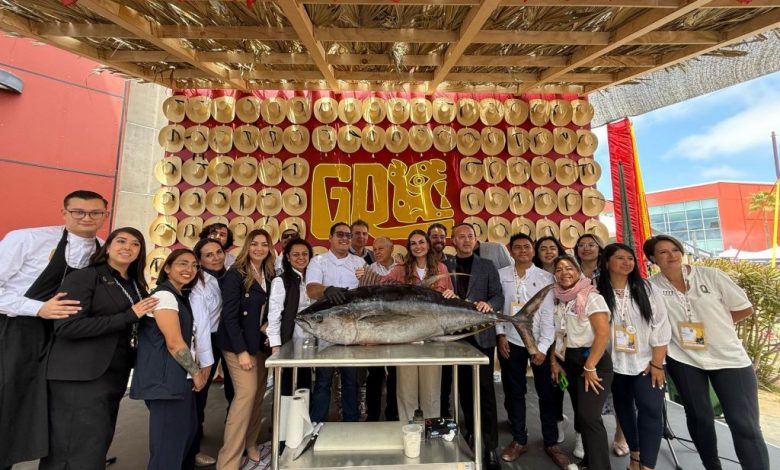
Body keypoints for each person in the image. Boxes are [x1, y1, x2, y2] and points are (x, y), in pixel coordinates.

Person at [0, 190, 107, 469]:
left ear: (105, 216)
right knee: (7, 403)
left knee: (43, 411)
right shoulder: (26, 239)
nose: (87, 217)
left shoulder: (104, 249)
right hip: (15, 333)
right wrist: (38, 308)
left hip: (63, 340)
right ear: (64, 213)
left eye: (95, 212)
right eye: (78, 211)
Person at [643, 235, 769, 470]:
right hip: (684, 358)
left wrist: (717, 327)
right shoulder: (650, 287)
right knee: (700, 418)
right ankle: (712, 467)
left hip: (729, 357)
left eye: (675, 250)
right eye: (663, 252)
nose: (672, 255)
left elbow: (744, 308)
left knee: (744, 423)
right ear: (652, 258)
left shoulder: (711, 276)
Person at [40, 227, 157, 470]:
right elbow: (67, 327)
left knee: (96, 442)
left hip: (113, 373)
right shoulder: (85, 277)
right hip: (80, 375)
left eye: (135, 244)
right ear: (108, 247)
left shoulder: (135, 284)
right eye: (121, 241)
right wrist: (127, 316)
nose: (127, 247)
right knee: (69, 448)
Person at [130, 249, 209, 470]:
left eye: (194, 265)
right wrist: (196, 373)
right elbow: (174, 342)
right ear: (167, 268)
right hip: (165, 381)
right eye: (182, 263)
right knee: (168, 446)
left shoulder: (177, 295)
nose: (189, 269)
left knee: (184, 436)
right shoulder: (165, 296)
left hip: (175, 380)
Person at [496, 234, 569, 468]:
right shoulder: (501, 275)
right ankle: (519, 439)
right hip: (511, 341)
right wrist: (500, 334)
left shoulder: (546, 277)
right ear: (511, 251)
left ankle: (551, 442)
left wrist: (543, 348)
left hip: (539, 343)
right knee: (514, 392)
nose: (522, 251)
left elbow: (548, 316)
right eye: (517, 247)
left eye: (527, 247)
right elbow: (498, 307)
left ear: (532, 250)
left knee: (546, 393)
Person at [597, 243, 671, 470]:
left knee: (651, 409)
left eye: (630, 258)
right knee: (624, 408)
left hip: (647, 362)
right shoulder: (596, 291)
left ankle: (647, 466)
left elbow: (661, 325)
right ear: (607, 262)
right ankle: (635, 458)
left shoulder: (647, 288)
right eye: (620, 258)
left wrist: (657, 363)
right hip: (615, 362)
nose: (627, 262)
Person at [444, 223, 504, 470]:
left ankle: (490, 446)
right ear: (453, 240)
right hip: (455, 336)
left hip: (481, 335)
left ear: (476, 239)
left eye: (470, 236)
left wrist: (490, 305)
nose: (466, 240)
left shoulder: (487, 265)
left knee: (485, 391)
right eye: (461, 236)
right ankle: (471, 432)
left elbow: (498, 295)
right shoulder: (445, 266)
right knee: (463, 389)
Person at [217, 229, 275, 470]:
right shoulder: (235, 274)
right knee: (244, 397)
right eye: (254, 244)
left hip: (259, 344)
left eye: (264, 244)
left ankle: (251, 443)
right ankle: (227, 462)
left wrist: (268, 325)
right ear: (247, 246)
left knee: (257, 396)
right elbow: (229, 317)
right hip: (238, 345)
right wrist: (240, 351)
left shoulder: (269, 273)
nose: (259, 248)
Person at [384, 230, 455, 422]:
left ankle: (430, 429)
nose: (418, 246)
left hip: (433, 338)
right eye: (413, 243)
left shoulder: (441, 268)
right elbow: (382, 288)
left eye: (421, 242)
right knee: (406, 391)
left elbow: (450, 298)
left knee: (431, 391)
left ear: (428, 244)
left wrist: (451, 295)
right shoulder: (400, 269)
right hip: (406, 338)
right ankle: (409, 430)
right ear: (409, 247)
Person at [550, 255, 613, 470]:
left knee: (590, 416)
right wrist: (555, 361)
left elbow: (603, 333)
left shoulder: (591, 297)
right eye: (559, 269)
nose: (564, 273)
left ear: (578, 272)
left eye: (569, 268)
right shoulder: (558, 298)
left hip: (592, 363)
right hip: (569, 362)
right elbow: (557, 334)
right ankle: (588, 462)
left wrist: (590, 366)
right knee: (581, 414)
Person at [306, 222, 366, 423]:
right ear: (330, 237)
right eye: (340, 234)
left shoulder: (359, 262)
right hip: (327, 331)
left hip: (353, 331)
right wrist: (326, 290)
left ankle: (351, 424)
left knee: (351, 381)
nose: (344, 238)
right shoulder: (318, 261)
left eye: (348, 235)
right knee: (323, 381)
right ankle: (317, 425)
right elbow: (311, 289)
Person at [575, 233, 628, 457]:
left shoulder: (609, 271)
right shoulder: (572, 272)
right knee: (586, 389)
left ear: (600, 248)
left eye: (591, 244)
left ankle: (621, 434)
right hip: (583, 337)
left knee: (620, 387)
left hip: (613, 333)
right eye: (581, 245)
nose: (586, 248)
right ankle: (583, 434)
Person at [190, 238, 227, 467]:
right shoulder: (199, 283)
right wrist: (204, 361)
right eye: (209, 255)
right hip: (205, 341)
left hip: (221, 338)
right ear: (200, 260)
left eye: (218, 252)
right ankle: (192, 450)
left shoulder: (221, 277)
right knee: (198, 394)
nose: (216, 258)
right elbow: (201, 325)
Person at [532, 235, 570, 442]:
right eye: (543, 248)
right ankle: (555, 420)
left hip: (565, 336)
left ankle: (565, 421)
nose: (548, 252)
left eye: (552, 248)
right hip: (544, 336)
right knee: (550, 382)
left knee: (562, 380)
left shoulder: (567, 275)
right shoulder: (534, 276)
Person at [268, 238, 315, 394]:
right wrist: (276, 346)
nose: (301, 258)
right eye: (295, 254)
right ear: (288, 257)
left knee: (305, 384)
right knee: (287, 387)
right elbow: (274, 316)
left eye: (305, 254)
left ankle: (304, 410)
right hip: (289, 341)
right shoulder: (281, 281)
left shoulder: (313, 280)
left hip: (310, 341)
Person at [364, 236, 399, 421]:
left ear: (391, 248)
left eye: (381, 248)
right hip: (375, 330)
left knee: (395, 375)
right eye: (375, 249)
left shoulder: (401, 268)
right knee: (374, 375)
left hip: (395, 329)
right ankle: (372, 417)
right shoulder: (369, 271)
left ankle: (392, 415)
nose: (377, 252)